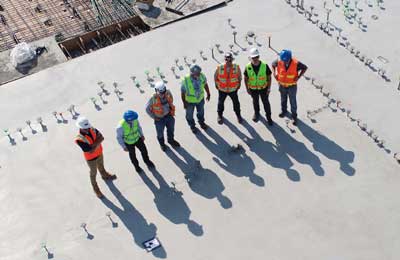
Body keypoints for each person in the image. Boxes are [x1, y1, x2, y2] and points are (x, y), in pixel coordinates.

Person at [75, 116, 116, 199]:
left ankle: (104, 175)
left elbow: (102, 137)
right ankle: (96, 188)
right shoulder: (79, 139)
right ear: (80, 128)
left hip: (99, 152)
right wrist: (98, 141)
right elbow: (89, 150)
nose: (87, 129)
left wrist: (94, 145)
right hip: (91, 158)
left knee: (101, 166)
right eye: (85, 128)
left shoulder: (92, 129)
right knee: (93, 173)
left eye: (87, 127)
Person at [272, 49, 308, 126]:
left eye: (286, 60)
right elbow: (273, 65)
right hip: (282, 86)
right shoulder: (279, 61)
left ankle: (294, 116)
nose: (285, 62)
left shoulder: (296, 63)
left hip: (292, 86)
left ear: (290, 58)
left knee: (293, 102)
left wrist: (298, 77)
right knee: (283, 100)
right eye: (284, 60)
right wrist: (274, 73)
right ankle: (284, 111)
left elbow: (305, 68)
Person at [146, 81, 181, 151]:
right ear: (156, 90)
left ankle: (171, 140)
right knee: (160, 134)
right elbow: (147, 109)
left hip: (169, 116)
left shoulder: (168, 93)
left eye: (163, 92)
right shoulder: (152, 98)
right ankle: (162, 144)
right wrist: (154, 117)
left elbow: (171, 99)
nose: (162, 94)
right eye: (161, 93)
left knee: (171, 130)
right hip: (159, 119)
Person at [244, 48, 273, 125]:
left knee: (266, 103)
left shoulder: (264, 65)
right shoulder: (248, 67)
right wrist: (247, 89)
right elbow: (246, 78)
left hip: (264, 88)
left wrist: (269, 88)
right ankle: (257, 113)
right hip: (253, 89)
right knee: (255, 102)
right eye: (253, 57)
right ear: (250, 58)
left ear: (259, 56)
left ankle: (269, 117)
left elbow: (269, 77)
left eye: (256, 57)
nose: (255, 59)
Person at [181, 64, 211, 133]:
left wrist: (208, 93)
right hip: (189, 102)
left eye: (199, 73)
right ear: (191, 73)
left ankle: (201, 123)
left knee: (201, 112)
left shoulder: (202, 76)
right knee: (189, 115)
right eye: (196, 73)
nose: (198, 74)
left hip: (200, 99)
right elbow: (183, 92)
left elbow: (205, 84)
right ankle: (192, 126)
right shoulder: (185, 80)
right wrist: (184, 103)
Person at [214, 52, 243, 124]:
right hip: (222, 89)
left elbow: (239, 77)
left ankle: (238, 115)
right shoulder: (219, 67)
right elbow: (215, 77)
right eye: (227, 60)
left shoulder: (236, 67)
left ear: (232, 60)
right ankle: (220, 115)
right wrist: (217, 84)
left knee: (236, 103)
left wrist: (239, 84)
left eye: (230, 60)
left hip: (233, 89)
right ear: (225, 60)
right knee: (220, 103)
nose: (228, 62)